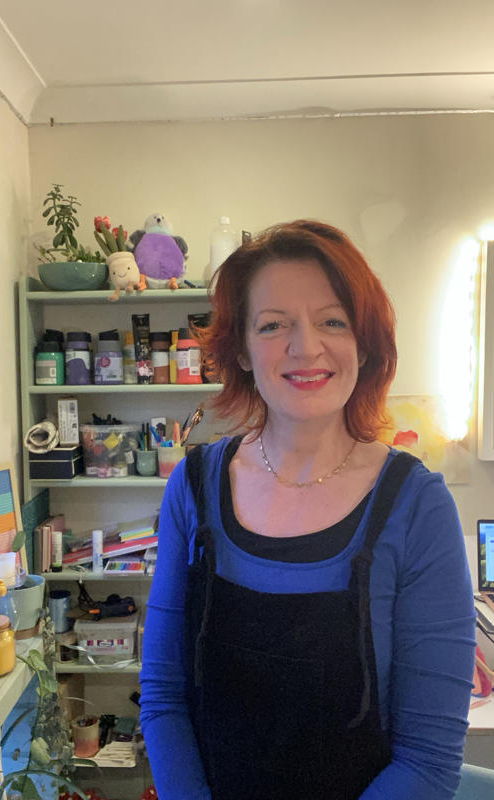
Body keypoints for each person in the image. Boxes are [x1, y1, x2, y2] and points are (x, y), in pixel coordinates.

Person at [140, 220, 476, 799]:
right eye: (273, 325)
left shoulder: (418, 508)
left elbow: (427, 760)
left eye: (332, 321)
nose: (306, 347)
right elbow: (165, 699)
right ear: (241, 350)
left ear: (364, 345)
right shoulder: (192, 490)